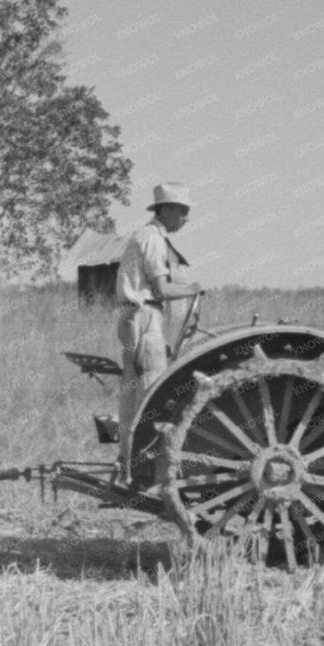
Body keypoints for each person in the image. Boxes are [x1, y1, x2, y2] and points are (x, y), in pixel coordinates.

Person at [115, 181, 200, 483]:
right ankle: (143, 470)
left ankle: (127, 468)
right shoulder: (152, 239)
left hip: (131, 317)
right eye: (181, 211)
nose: (185, 218)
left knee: (132, 398)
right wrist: (193, 288)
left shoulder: (144, 236)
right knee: (152, 394)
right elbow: (162, 288)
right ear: (164, 210)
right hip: (146, 316)